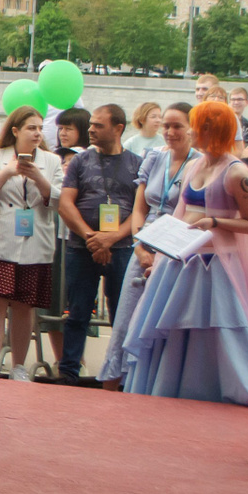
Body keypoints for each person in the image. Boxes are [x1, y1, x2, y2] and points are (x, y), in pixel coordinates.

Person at [121, 100, 248, 409]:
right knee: (175, 328)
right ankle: (171, 386)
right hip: (184, 261)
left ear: (211, 130)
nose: (192, 132)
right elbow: (180, 214)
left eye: (197, 126)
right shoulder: (196, 165)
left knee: (221, 330)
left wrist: (215, 222)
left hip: (216, 265)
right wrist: (163, 255)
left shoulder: (236, 171)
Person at [97, 103, 196, 391]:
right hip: (144, 243)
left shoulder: (199, 164)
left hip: (176, 249)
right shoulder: (154, 158)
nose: (170, 132)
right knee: (125, 320)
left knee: (159, 323)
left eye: (177, 126)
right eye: (166, 125)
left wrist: (162, 253)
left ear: (192, 128)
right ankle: (112, 390)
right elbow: (139, 208)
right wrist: (139, 247)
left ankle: (150, 388)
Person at [47, 104, 141, 385]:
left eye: (99, 125)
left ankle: (120, 375)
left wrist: (112, 237)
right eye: (91, 124)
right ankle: (69, 372)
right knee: (77, 311)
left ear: (118, 128)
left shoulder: (137, 164)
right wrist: (92, 238)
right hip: (81, 247)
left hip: (121, 249)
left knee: (121, 314)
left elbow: (140, 210)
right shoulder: (80, 161)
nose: (91, 129)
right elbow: (66, 204)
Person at [0, 105, 63, 380]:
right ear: (15, 130)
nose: (37, 133)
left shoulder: (51, 161)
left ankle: (18, 366)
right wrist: (8, 172)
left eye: (40, 128)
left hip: (35, 244)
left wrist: (38, 178)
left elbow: (60, 200)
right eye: (31, 128)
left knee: (24, 306)